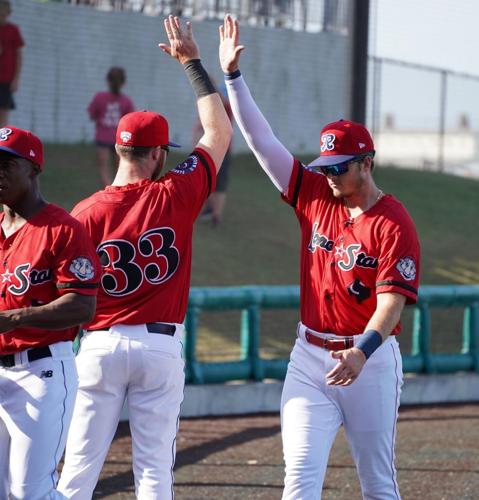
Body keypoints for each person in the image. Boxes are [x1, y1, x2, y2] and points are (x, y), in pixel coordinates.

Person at [219, 14, 420, 499]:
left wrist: (361, 352)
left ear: (367, 164)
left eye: (340, 166)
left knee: (377, 485)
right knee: (300, 481)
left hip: (368, 361)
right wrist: (232, 78)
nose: (329, 174)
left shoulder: (394, 221)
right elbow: (261, 140)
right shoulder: (313, 193)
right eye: (325, 164)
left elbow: (391, 304)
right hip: (309, 357)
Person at [58, 15, 232, 499]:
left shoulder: (84, 212)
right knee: (154, 473)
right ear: (158, 154)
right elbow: (218, 133)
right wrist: (194, 63)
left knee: (77, 472)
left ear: (117, 147)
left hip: (97, 347)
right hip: (158, 346)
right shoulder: (175, 193)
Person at [0, 126, 101, 499]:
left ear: (34, 169)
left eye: (7, 163)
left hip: (41, 371)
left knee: (31, 492)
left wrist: (14, 319)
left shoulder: (62, 229)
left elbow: (82, 305)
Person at [193, 79, 233, 226]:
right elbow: (197, 126)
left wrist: (209, 83)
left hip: (220, 149)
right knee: (210, 181)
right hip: (211, 148)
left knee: (218, 182)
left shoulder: (226, 108)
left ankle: (215, 215)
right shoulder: (212, 108)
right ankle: (212, 210)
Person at [88, 66, 135, 186]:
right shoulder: (127, 101)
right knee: (119, 167)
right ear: (123, 82)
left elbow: (92, 115)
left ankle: (107, 188)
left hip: (102, 137)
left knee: (103, 167)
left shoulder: (99, 97)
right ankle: (119, 188)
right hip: (119, 138)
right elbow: (131, 121)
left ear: (108, 80)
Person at [0, 0, 24, 127]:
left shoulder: (13, 30)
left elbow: (19, 56)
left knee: (4, 114)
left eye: (4, 14)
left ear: (9, 14)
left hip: (6, 79)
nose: (1, 17)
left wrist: (16, 79)